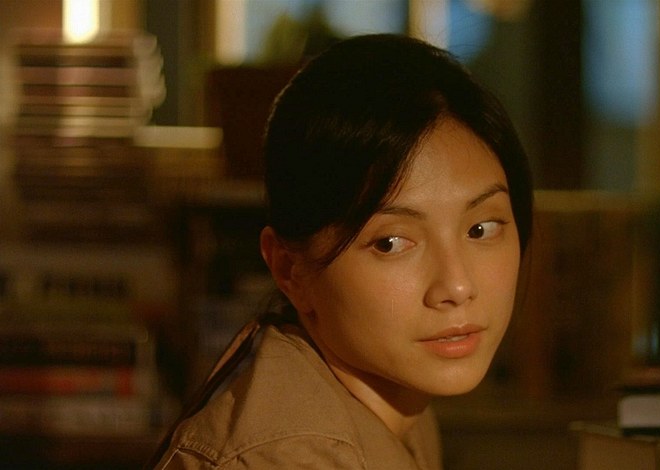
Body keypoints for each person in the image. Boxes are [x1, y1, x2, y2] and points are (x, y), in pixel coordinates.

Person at [149, 33, 533, 469]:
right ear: (290, 269)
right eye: (391, 243)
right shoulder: (288, 458)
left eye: (481, 229)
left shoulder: (395, 401)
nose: (457, 286)